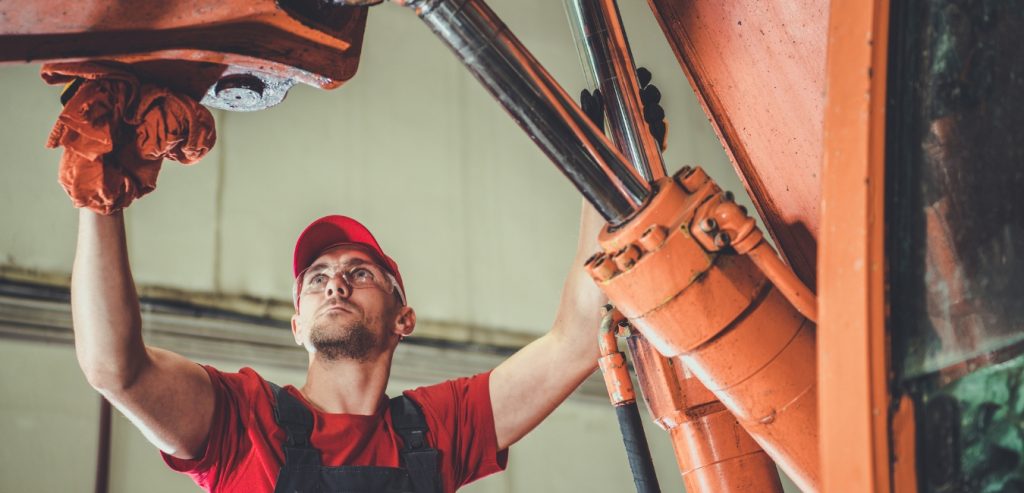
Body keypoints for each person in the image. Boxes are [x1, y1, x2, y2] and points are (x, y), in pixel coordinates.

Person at [71, 202, 606, 492]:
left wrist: (601, 181)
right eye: (317, 277)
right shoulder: (243, 419)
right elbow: (116, 370)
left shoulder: (439, 429)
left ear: (404, 318)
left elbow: (577, 341)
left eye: (360, 272)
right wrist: (98, 202)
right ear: (297, 324)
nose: (335, 284)